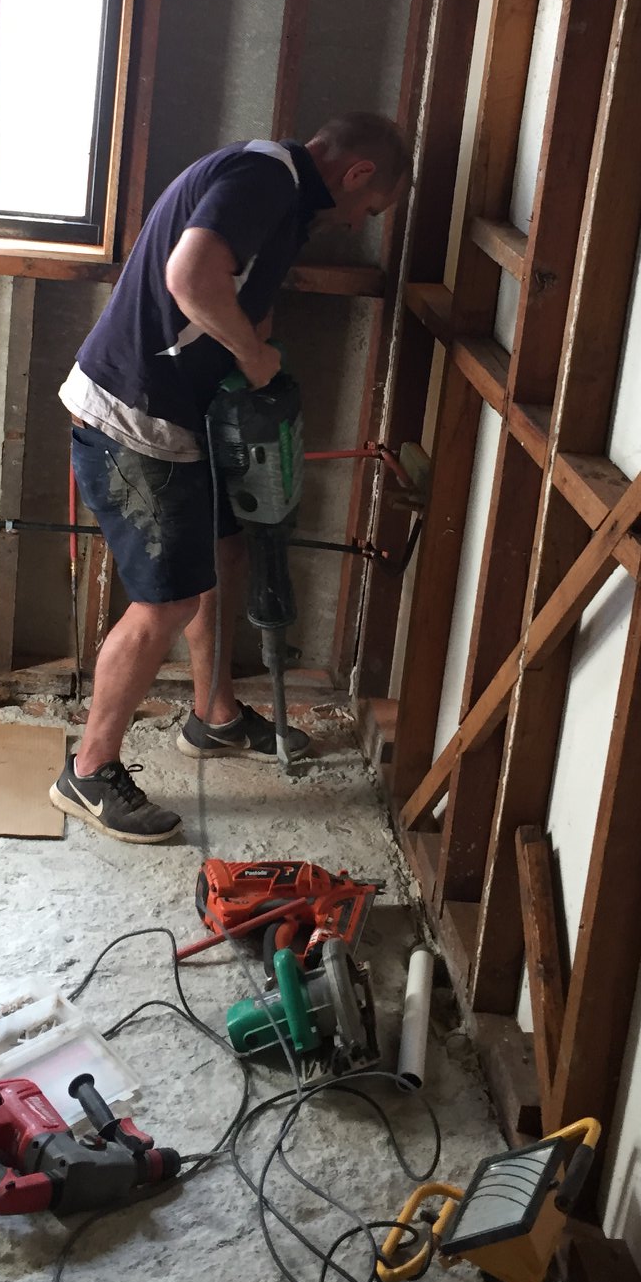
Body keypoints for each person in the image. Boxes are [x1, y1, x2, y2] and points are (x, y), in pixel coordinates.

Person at [47, 113, 410, 842]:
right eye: (368, 210)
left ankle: (213, 718)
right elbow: (189, 277)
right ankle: (87, 770)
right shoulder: (263, 177)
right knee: (167, 601)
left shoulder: (282, 197)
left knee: (225, 553)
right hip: (133, 415)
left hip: (179, 414)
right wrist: (252, 357)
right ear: (357, 173)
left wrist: (254, 343)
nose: (356, 226)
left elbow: (240, 288)